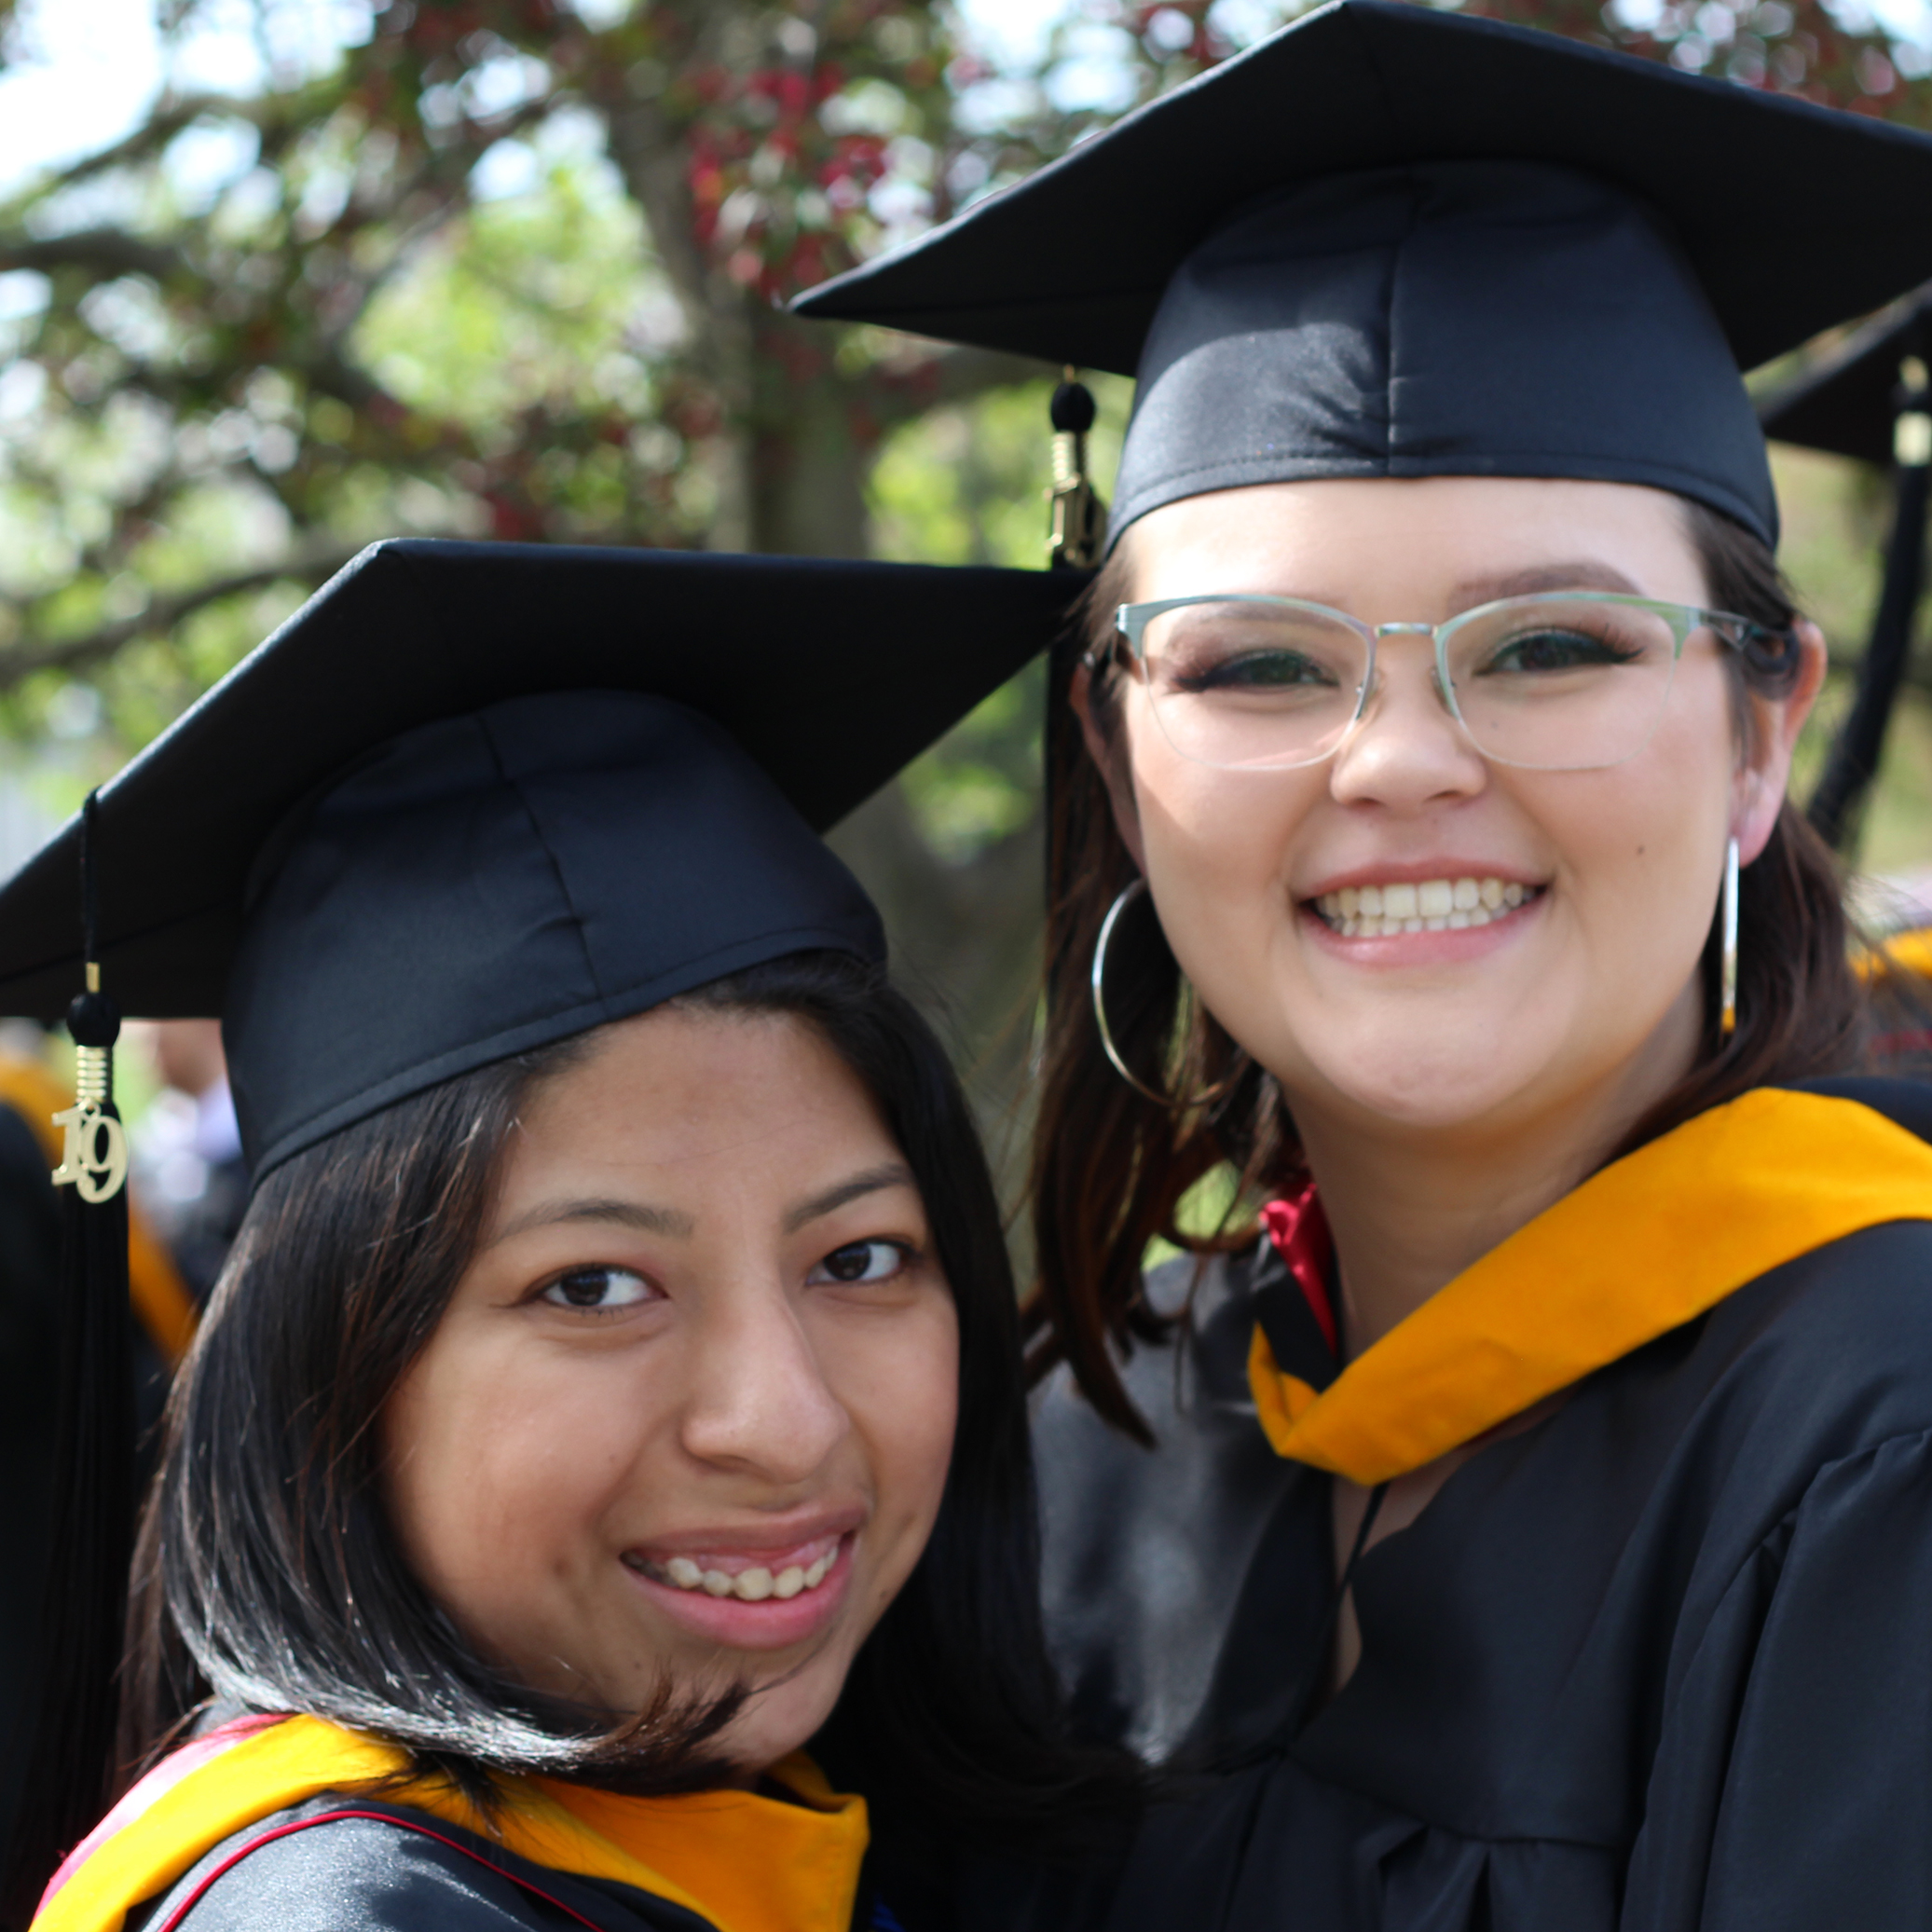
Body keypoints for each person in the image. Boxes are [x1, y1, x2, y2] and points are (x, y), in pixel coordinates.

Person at [798, 5, 1932, 1925]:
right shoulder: (1074, 1447)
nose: (1398, 757)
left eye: (1549, 644)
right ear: (1113, 759)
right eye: (1258, 665)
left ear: (1756, 737)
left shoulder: (1881, 1443)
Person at [0, 541, 1129, 1932]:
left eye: (859, 1258)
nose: (779, 1420)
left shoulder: (843, 1831)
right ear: (327, 1376)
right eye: (592, 1285)